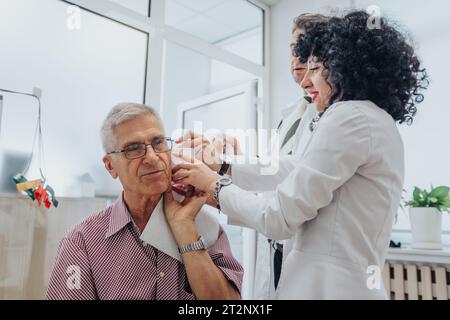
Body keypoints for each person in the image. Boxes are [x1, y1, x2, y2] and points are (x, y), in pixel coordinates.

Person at [170, 11, 428, 299]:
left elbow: (277, 218)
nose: (308, 79)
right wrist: (223, 165)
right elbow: (296, 167)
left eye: (316, 68)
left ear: (344, 67)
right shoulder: (368, 118)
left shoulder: (351, 117)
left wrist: (214, 185)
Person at [46, 103, 243, 300]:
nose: (152, 157)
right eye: (133, 149)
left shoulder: (205, 227)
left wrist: (185, 229)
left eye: (158, 143)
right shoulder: (82, 242)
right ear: (110, 166)